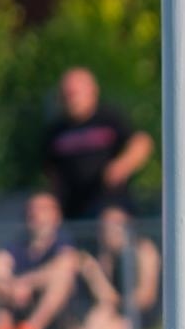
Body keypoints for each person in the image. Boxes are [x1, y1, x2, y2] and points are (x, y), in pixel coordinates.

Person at [43, 67, 154, 221]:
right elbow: (51, 173)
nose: (71, 99)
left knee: (111, 222)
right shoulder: (57, 130)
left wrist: (122, 165)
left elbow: (141, 142)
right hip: (71, 208)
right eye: (66, 94)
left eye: (74, 93)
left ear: (92, 91)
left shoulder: (109, 118)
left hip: (110, 203)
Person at [0, 192, 79, 329]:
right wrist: (8, 285)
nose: (35, 214)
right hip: (20, 301)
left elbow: (66, 264)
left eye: (43, 209)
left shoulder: (63, 242)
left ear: (56, 215)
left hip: (60, 313)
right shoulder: (20, 244)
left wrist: (26, 283)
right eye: (31, 209)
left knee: (61, 279)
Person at [68, 206, 160, 329]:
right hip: (109, 310)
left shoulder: (144, 250)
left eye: (116, 225)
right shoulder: (103, 255)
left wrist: (96, 277)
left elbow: (145, 298)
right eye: (104, 227)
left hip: (137, 316)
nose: (109, 231)